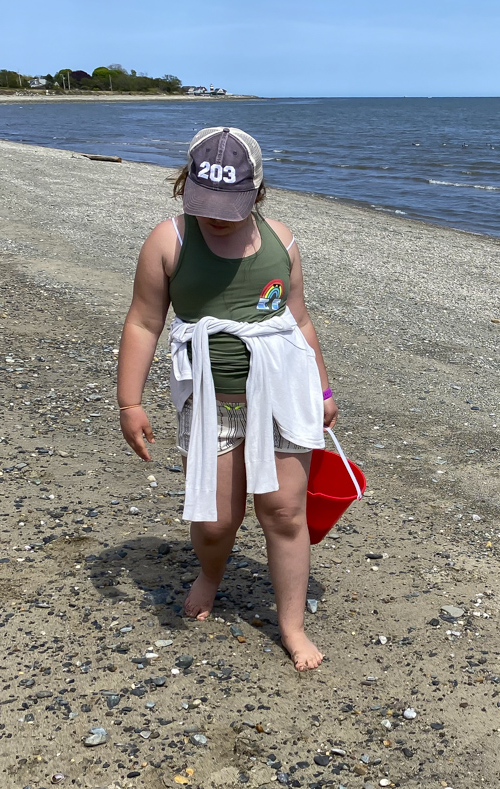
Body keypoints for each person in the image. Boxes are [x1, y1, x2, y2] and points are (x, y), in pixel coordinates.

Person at [117, 127, 337, 671]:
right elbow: (145, 322)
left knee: (285, 511)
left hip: (280, 394)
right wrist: (130, 401)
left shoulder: (281, 241)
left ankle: (291, 624)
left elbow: (299, 321)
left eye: (231, 205)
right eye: (205, 202)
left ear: (257, 192)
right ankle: (210, 572)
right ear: (185, 188)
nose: (217, 216)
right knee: (217, 519)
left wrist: (323, 390)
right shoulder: (169, 241)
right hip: (212, 400)